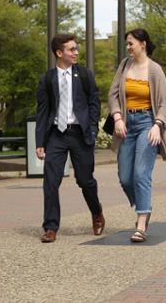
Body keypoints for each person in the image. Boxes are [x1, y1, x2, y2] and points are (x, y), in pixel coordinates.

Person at [35, 34, 104, 243]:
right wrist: (40, 142)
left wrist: (92, 128)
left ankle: (97, 212)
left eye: (76, 49)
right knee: (50, 182)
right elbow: (43, 112)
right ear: (59, 53)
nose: (76, 52)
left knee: (85, 180)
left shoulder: (84, 75)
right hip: (56, 135)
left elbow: (94, 103)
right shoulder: (47, 79)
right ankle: (50, 227)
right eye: (71, 49)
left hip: (80, 135)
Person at [108, 29, 166, 243]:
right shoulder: (124, 66)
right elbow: (113, 94)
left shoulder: (155, 70)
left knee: (140, 174)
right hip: (126, 124)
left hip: (147, 123)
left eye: (131, 43)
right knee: (125, 177)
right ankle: (145, 206)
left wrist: (158, 125)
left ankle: (141, 222)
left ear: (143, 44)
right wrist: (117, 117)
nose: (128, 47)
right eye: (127, 44)